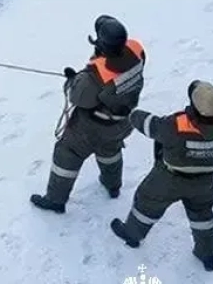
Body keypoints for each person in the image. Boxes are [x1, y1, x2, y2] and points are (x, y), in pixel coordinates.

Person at [109, 80, 213, 271]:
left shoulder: (176, 126)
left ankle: (132, 235)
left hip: (169, 178)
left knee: (146, 204)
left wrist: (132, 113)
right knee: (202, 214)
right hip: (205, 180)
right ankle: (207, 253)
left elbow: (150, 126)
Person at [30, 15, 146, 213]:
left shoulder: (96, 75)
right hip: (123, 121)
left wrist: (72, 81)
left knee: (67, 154)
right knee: (110, 152)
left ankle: (56, 200)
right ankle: (113, 186)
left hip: (92, 128)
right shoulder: (137, 52)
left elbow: (79, 98)